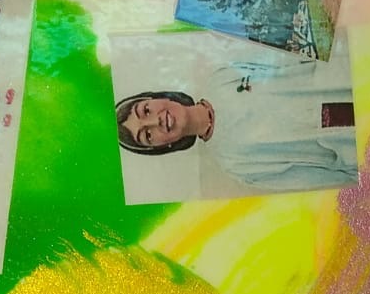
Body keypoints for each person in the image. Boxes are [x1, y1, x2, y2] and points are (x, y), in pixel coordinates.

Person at [115, 42, 357, 193]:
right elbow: (311, 179)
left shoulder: (223, 76)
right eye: (148, 135)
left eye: (145, 111)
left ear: (157, 97)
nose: (155, 121)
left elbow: (300, 53)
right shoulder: (234, 164)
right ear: (162, 146)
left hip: (350, 80)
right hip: (351, 141)